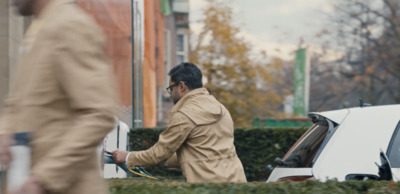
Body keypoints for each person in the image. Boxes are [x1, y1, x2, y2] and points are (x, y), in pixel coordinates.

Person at [0, 0, 118, 193]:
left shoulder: (71, 26)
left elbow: (99, 114)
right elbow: (19, 101)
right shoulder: (40, 28)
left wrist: (43, 178)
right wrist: (5, 130)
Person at [112, 62, 247, 183]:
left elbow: (158, 153)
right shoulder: (221, 109)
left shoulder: (185, 114)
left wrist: (128, 157)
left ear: (181, 86)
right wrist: (167, 161)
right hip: (237, 182)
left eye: (171, 89)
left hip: (208, 186)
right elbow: (205, 150)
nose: (170, 94)